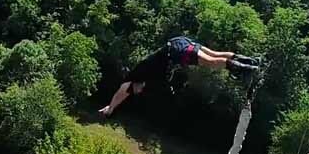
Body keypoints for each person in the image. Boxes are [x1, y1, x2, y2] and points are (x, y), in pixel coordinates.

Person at [99, 36, 260, 117]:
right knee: (214, 53)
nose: (139, 91)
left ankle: (245, 70)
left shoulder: (135, 75)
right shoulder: (144, 76)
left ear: (132, 86)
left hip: (174, 52)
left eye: (136, 91)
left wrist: (111, 107)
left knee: (210, 61)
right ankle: (250, 61)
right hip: (178, 41)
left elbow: (121, 92)